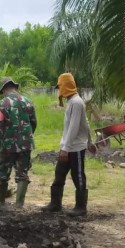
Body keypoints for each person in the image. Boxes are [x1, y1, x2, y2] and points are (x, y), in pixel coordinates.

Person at [42, 73, 97, 216]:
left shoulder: (76, 103)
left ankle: (81, 207)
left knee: (77, 175)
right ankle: (55, 204)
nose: (59, 90)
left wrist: (67, 148)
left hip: (76, 147)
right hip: (67, 146)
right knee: (59, 174)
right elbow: (85, 123)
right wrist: (89, 141)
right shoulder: (72, 102)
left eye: (60, 86)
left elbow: (74, 127)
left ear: (65, 86)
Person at [0, 77, 37, 208]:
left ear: (4, 90)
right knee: (23, 172)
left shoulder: (3, 103)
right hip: (26, 143)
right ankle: (19, 204)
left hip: (8, 144)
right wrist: (26, 137)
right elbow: (33, 123)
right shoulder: (28, 102)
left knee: (2, 169)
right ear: (14, 88)